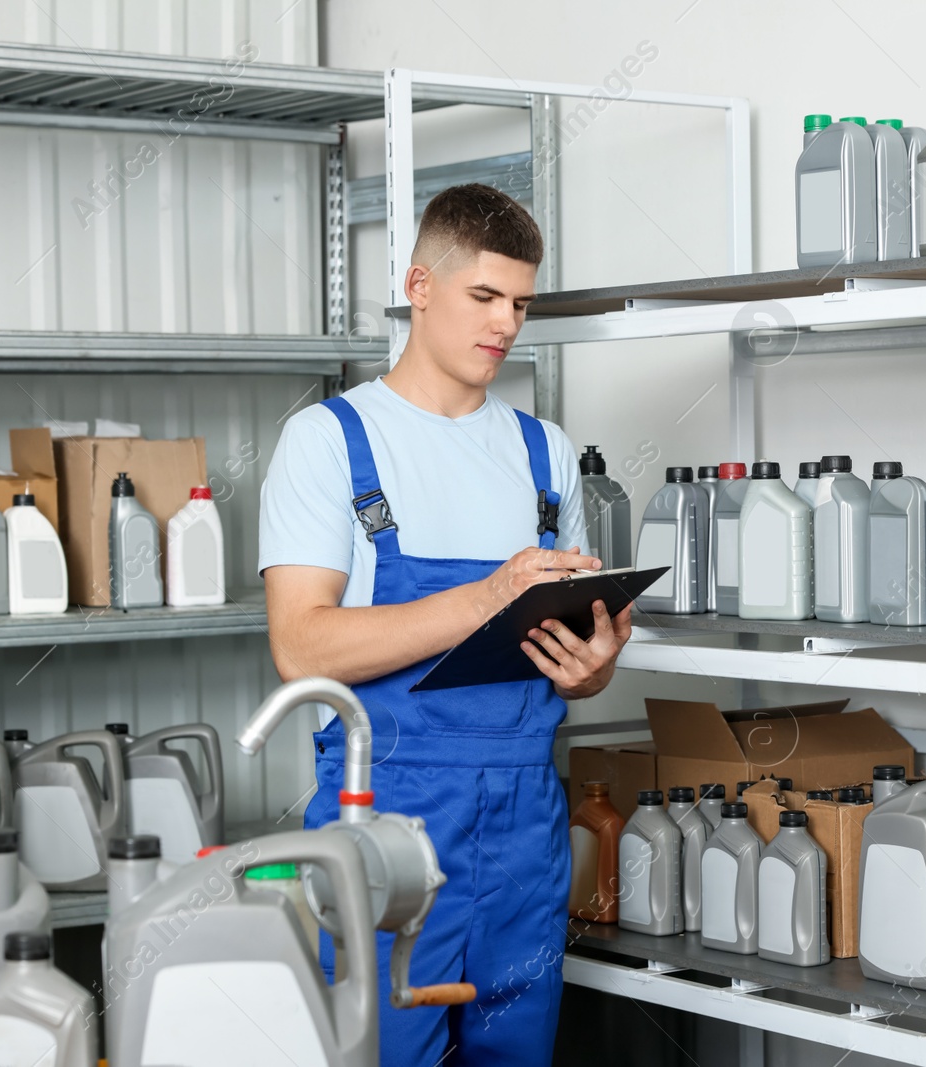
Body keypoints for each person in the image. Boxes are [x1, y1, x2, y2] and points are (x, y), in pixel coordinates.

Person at [259, 183, 633, 1065]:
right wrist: (488, 597)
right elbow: (301, 644)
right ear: (420, 285)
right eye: (484, 297)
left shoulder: (546, 452)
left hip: (524, 828)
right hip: (387, 821)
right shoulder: (330, 441)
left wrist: (595, 667)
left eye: (522, 303)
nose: (505, 323)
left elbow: (581, 656)